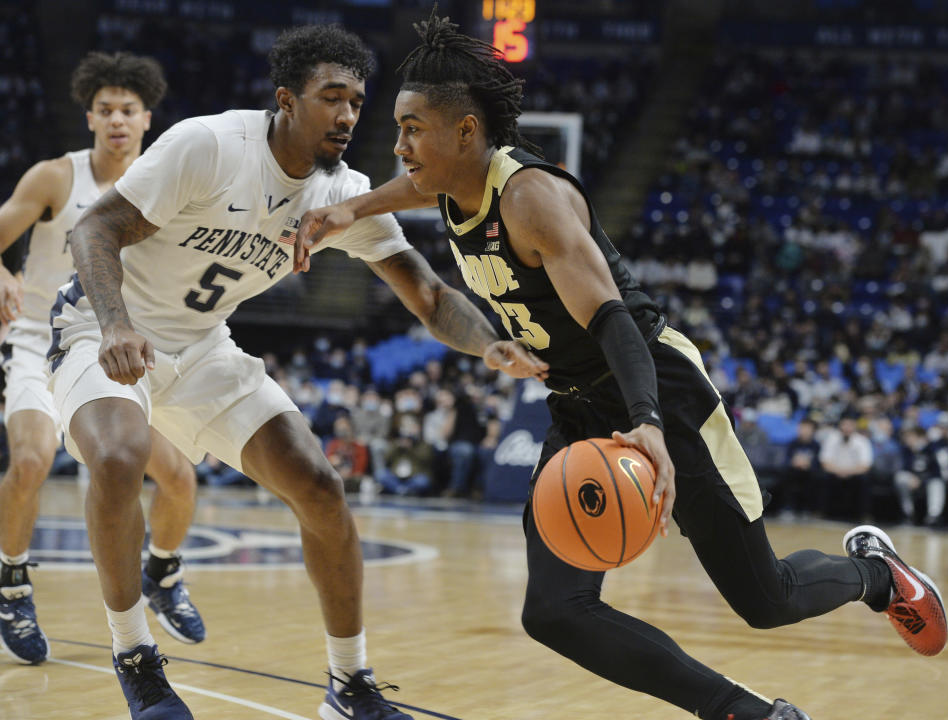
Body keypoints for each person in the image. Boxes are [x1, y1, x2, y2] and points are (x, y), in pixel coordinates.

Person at [293, 12, 947, 719]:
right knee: (555, 610)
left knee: (767, 600)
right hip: (576, 405)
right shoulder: (451, 183)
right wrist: (350, 208)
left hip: (653, 387)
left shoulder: (532, 200)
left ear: (466, 132)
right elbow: (418, 189)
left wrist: (649, 425)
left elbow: (616, 321)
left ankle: (875, 576)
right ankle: (745, 713)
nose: (399, 144)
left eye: (412, 128)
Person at [50, 25, 544, 720]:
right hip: (100, 327)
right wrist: (115, 325)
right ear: (286, 99)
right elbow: (92, 230)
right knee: (121, 455)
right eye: (331, 97)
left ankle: (350, 686)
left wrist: (492, 344)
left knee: (320, 486)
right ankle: (135, 656)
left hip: (200, 346)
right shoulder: (212, 144)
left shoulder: (345, 191)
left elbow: (428, 295)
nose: (347, 115)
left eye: (356, 101)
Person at [0, 51, 207, 667]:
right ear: (90, 116)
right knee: (32, 458)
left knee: (178, 478)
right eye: (106, 109)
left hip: (113, 343)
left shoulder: (164, 184)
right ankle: (11, 583)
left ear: (148, 119)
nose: (117, 119)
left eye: (129, 110)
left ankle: (163, 573)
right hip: (39, 336)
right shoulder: (55, 177)